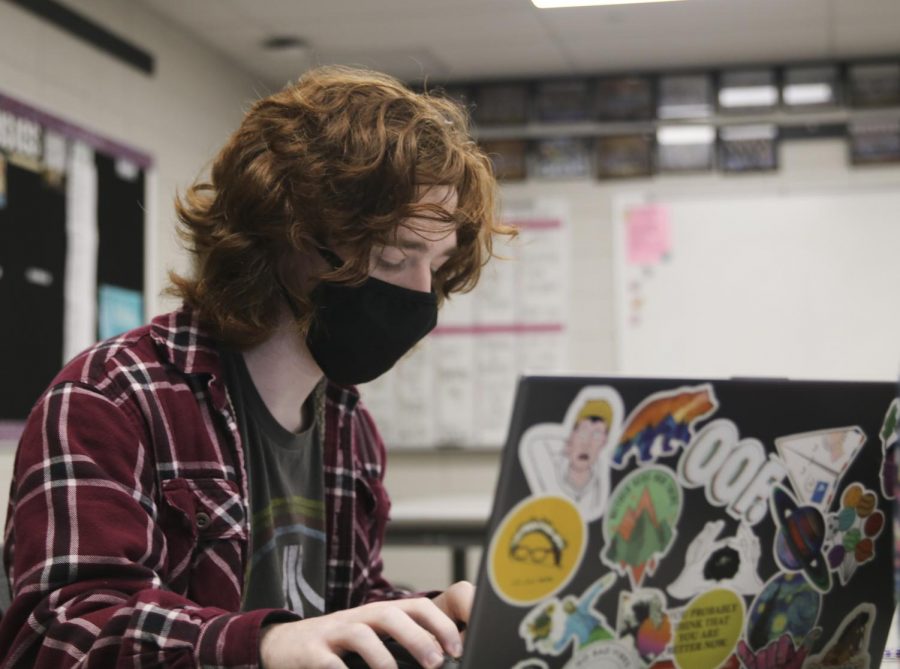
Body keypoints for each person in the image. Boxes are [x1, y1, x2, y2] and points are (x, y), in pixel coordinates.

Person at [0, 66, 512, 669]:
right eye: (394, 255)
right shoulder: (111, 398)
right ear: (286, 234)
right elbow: (56, 636)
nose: (422, 294)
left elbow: (340, 607)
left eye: (437, 263)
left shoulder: (346, 422)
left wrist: (432, 622)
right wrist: (262, 644)